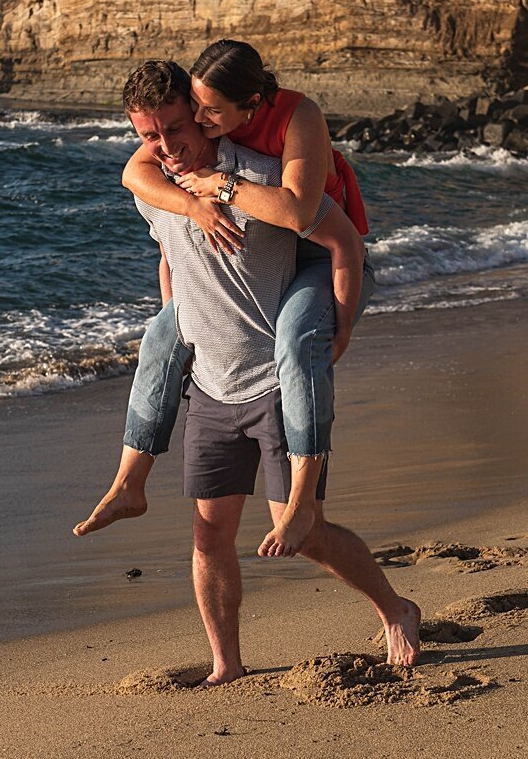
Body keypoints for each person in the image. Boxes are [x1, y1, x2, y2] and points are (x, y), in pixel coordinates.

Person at [96, 60, 418, 680]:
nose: (166, 147)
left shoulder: (263, 179)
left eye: (175, 129)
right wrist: (176, 318)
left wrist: (342, 322)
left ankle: (395, 608)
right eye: (149, 137)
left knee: (308, 534)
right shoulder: (158, 185)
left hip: (274, 383)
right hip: (211, 390)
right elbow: (170, 257)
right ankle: (227, 665)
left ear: (203, 115)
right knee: (208, 535)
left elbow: (337, 237)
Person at [75, 41, 371, 544]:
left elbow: (310, 219)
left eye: (208, 112)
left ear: (249, 103)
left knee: (298, 345)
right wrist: (191, 217)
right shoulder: (177, 150)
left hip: (322, 255)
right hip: (278, 249)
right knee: (159, 339)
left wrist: (340, 330)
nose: (199, 119)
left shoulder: (293, 123)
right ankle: (129, 481)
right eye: (197, 105)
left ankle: (303, 495)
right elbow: (142, 187)